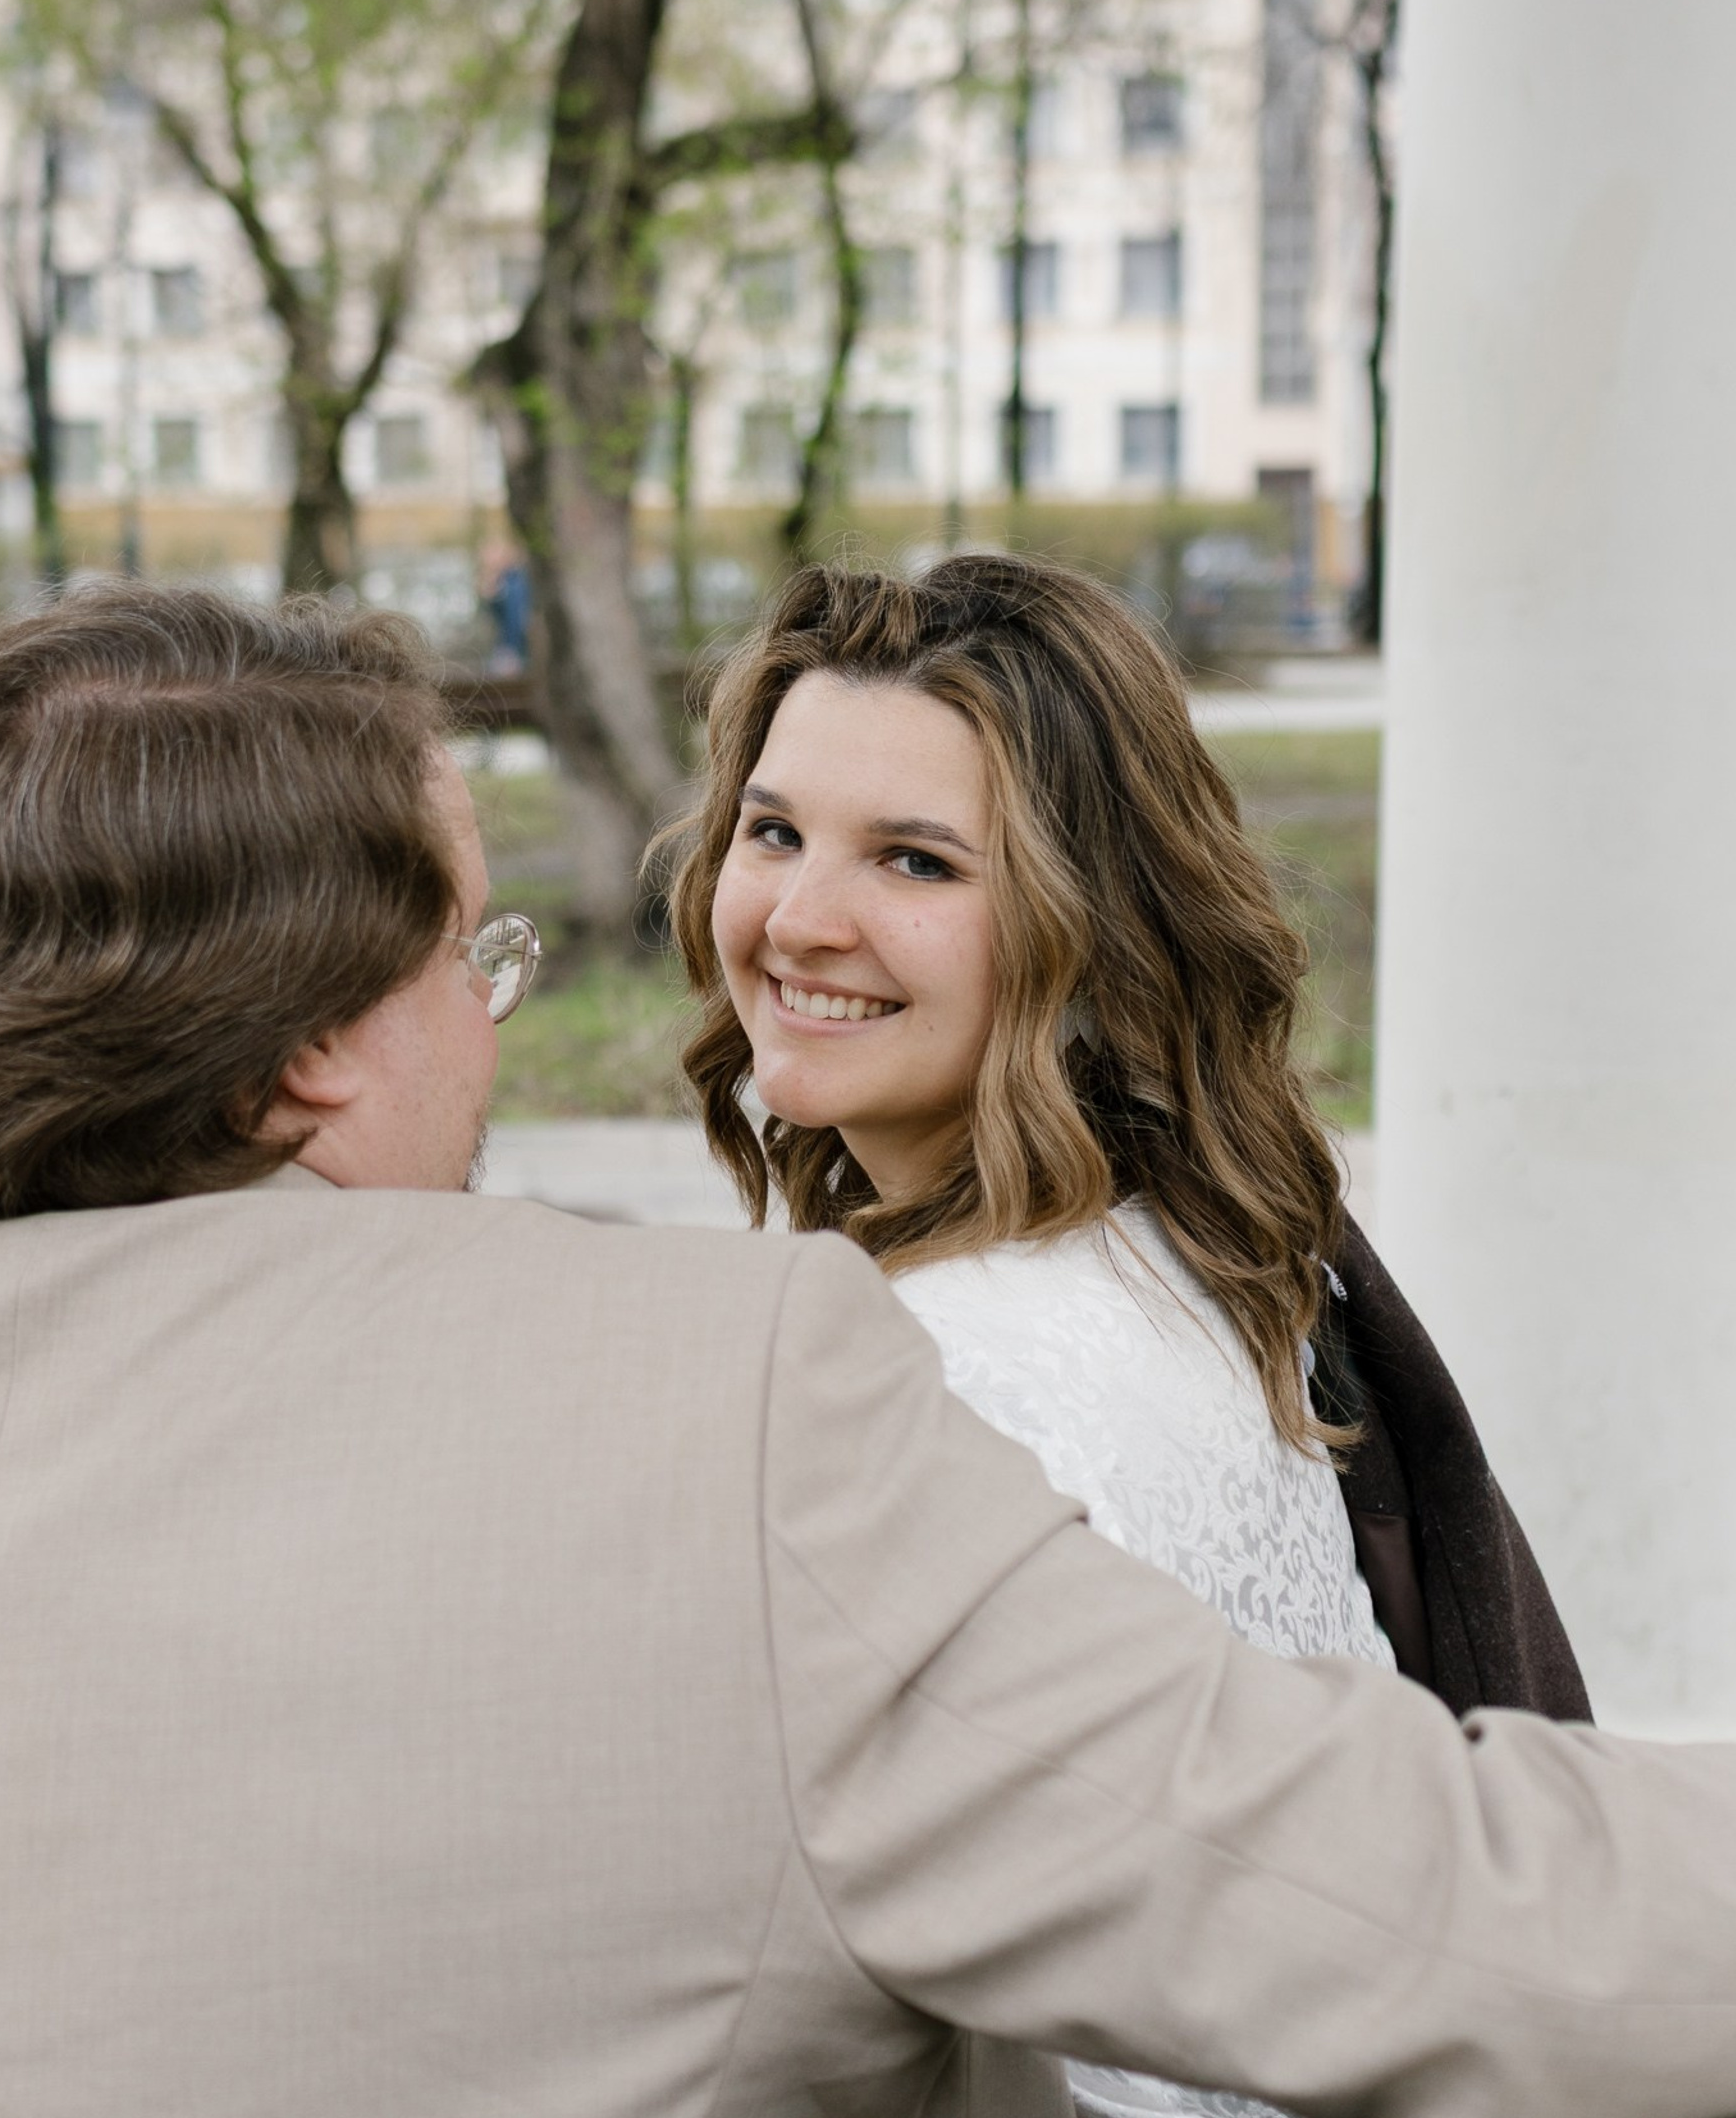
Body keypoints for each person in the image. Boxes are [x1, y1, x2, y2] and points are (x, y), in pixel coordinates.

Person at [0, 580, 1736, 2118]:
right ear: (311, 1045)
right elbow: (1451, 1910)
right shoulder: (723, 1408)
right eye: (470, 959)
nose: (497, 1031)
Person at [660, 553, 1588, 2116]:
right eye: (775, 832)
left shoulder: (958, 1380)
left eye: (918, 864)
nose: (801, 919)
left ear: (1086, 928)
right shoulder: (1182, 1226)